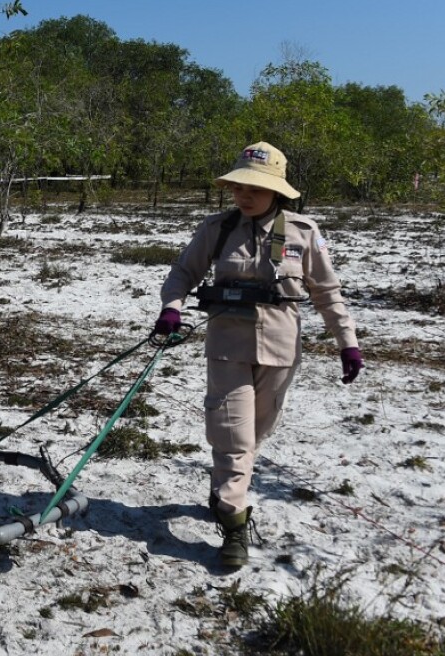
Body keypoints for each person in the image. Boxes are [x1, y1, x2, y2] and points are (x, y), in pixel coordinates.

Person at [153, 141, 363, 569]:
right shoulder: (217, 228)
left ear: (277, 192)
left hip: (281, 351)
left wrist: (347, 342)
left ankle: (222, 489)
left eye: (255, 189)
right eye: (239, 187)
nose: (244, 196)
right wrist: (171, 307)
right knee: (234, 438)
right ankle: (233, 523)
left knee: (254, 435)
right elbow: (183, 272)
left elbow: (327, 292)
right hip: (227, 349)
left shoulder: (303, 232)